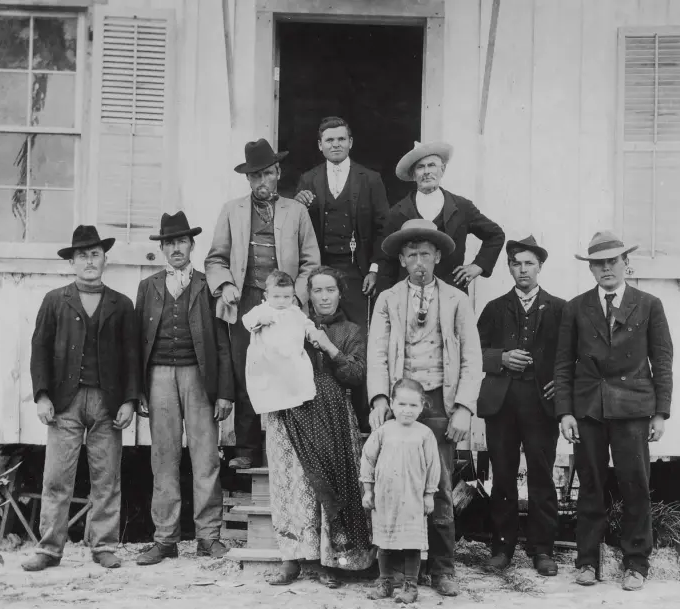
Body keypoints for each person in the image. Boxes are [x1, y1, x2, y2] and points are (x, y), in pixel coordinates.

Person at [367, 219, 482, 597]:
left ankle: (443, 569)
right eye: (412, 254)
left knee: (440, 488)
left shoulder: (456, 300)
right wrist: (381, 398)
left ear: (437, 258)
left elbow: (471, 358)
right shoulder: (387, 300)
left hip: (440, 405)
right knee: (396, 487)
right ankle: (396, 571)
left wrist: (464, 406)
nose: (419, 262)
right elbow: (378, 353)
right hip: (401, 406)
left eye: (426, 255)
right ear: (402, 259)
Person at [554, 231, 673, 592]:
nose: (605, 268)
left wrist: (660, 413)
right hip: (588, 409)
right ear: (590, 269)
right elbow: (563, 363)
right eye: (598, 264)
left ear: (625, 264)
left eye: (612, 262)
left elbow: (662, 361)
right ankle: (588, 561)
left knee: (635, 485)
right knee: (590, 484)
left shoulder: (649, 304)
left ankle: (636, 564)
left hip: (634, 409)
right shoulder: (576, 307)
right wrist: (565, 412)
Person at [23, 225, 139, 571]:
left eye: (95, 254)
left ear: (104, 259)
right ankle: (48, 549)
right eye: (82, 256)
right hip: (65, 401)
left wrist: (129, 400)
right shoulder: (55, 300)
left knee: (107, 477)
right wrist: (42, 396)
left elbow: (132, 356)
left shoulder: (122, 304)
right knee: (57, 476)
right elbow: (39, 350)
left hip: (108, 402)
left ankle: (103, 545)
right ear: (71, 262)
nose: (89, 261)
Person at [205, 139, 320, 469]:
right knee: (247, 369)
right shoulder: (232, 210)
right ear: (248, 180)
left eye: (267, 174)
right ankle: (246, 448)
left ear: (278, 173)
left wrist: (294, 295)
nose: (262, 182)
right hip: (246, 300)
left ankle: (289, 447)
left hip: (286, 301)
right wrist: (225, 285)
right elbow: (215, 259)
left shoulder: (295, 212)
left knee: (287, 368)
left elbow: (311, 261)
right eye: (255, 177)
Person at [134, 211, 235, 566]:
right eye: (169, 243)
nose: (175, 248)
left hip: (198, 376)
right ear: (162, 249)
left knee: (205, 455)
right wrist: (139, 390)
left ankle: (209, 536)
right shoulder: (148, 287)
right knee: (163, 457)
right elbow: (136, 343)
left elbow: (222, 344)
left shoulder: (209, 285)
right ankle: (165, 539)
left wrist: (224, 391)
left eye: (181, 241)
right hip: (159, 376)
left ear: (192, 245)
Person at [264, 266, 374, 587]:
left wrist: (328, 346)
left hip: (332, 415)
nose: (324, 297)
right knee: (289, 484)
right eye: (317, 291)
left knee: (327, 482)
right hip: (289, 410)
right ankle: (291, 559)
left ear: (340, 293)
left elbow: (356, 375)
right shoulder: (289, 322)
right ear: (307, 295)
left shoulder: (352, 331)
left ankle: (329, 561)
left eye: (330, 290)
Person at [476, 236, 565, 576]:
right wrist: (501, 357)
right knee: (502, 475)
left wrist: (562, 380)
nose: (523, 269)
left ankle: (543, 550)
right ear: (509, 268)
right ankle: (502, 548)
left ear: (540, 267)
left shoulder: (559, 308)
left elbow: (570, 354)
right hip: (502, 403)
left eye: (529, 263)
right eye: (516, 263)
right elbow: (472, 351)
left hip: (542, 403)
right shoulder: (495, 309)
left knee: (543, 476)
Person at [294, 116, 390, 332]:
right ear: (320, 145)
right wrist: (297, 204)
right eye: (329, 140)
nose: (335, 144)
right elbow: (297, 229)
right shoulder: (308, 179)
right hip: (322, 269)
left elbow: (384, 228)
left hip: (359, 270)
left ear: (350, 142)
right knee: (322, 330)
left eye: (341, 139)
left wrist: (375, 270)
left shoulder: (370, 179)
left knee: (359, 330)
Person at [378, 141, 505, 293]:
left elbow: (495, 235)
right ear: (413, 174)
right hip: (410, 295)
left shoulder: (462, 207)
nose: (426, 172)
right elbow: (387, 262)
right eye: (420, 167)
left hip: (451, 292)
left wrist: (478, 265)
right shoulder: (397, 212)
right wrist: (388, 300)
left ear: (442, 170)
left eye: (431, 165)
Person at [361, 378, 441, 604]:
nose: (407, 410)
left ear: (422, 406)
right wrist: (368, 491)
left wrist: (428, 495)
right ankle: (385, 581)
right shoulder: (383, 431)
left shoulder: (424, 434)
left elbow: (433, 466)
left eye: (413, 405)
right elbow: (368, 459)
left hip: (412, 499)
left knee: (411, 542)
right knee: (384, 542)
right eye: (402, 404)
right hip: (386, 498)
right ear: (392, 405)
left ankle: (410, 586)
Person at [241, 270, 316, 414]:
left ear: (293, 296)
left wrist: (311, 333)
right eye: (276, 296)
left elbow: (306, 323)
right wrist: (259, 320)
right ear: (266, 295)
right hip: (268, 359)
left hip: (290, 357)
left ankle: (295, 403)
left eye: (286, 297)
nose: (281, 301)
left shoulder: (295, 311)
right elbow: (246, 320)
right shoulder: (262, 309)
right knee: (270, 387)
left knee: (297, 380)